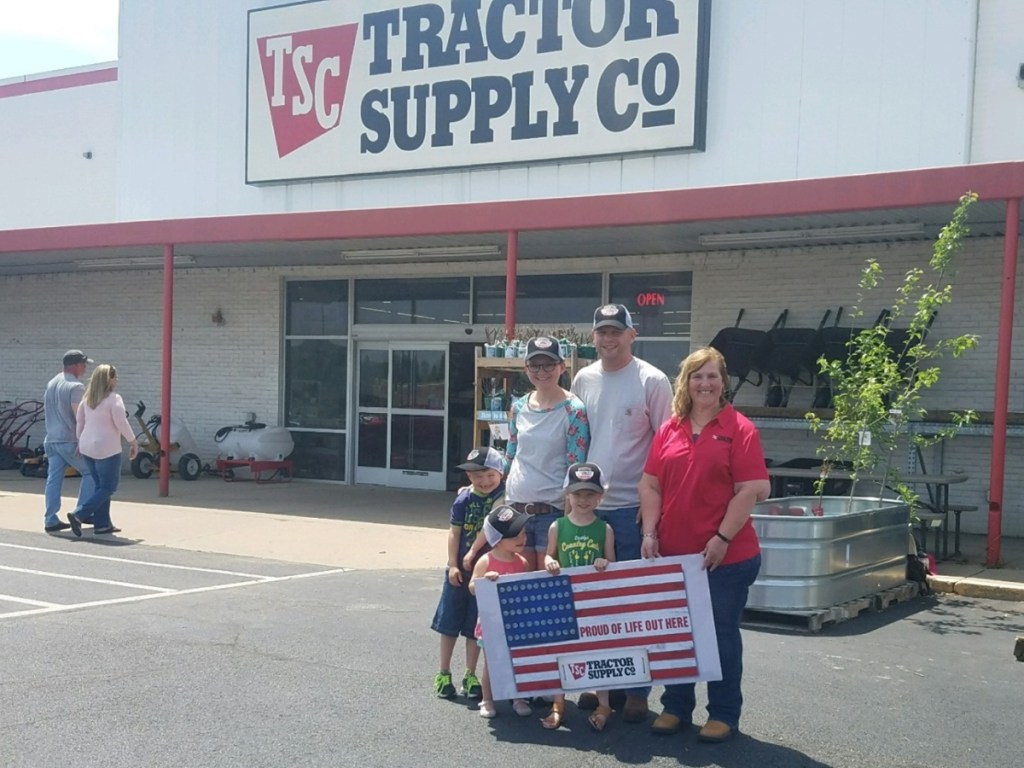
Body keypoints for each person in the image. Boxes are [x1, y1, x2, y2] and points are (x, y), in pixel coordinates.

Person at [638, 346, 770, 743]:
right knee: (678, 633)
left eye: (712, 376)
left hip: (725, 559)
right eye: (697, 376)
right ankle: (676, 706)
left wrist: (722, 538)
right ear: (686, 382)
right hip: (674, 556)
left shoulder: (740, 429)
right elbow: (650, 484)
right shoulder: (669, 429)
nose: (705, 383)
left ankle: (724, 713)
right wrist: (649, 531)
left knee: (719, 635)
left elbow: (753, 489)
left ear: (723, 382)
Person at [570, 303, 673, 723]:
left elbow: (667, 451)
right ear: (592, 337)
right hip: (589, 509)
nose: (608, 339)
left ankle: (637, 691)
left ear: (632, 335)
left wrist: (654, 514)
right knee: (593, 606)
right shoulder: (583, 378)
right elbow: (578, 441)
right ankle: (600, 685)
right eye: (601, 332)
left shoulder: (653, 380)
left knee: (634, 605)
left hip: (632, 510)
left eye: (616, 331)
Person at [540, 461, 616, 731]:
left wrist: (604, 563)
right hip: (565, 601)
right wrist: (550, 561)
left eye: (590, 494)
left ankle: (603, 703)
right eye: (578, 493)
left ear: (600, 496)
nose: (583, 500)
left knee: (598, 651)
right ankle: (558, 703)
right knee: (562, 651)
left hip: (594, 603)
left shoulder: (604, 529)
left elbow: (612, 562)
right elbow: (550, 553)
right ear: (567, 495)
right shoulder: (557, 526)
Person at [503, 335, 589, 571]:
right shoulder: (519, 406)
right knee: (516, 585)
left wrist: (570, 519)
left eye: (549, 364)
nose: (542, 371)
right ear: (526, 368)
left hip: (551, 514)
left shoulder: (574, 410)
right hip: (516, 511)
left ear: (562, 366)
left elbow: (575, 466)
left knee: (546, 587)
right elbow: (511, 454)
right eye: (535, 365)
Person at [431, 446, 506, 700]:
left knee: (476, 625)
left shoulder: (502, 497)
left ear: (500, 473)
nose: (483, 481)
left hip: (485, 572)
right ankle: (443, 672)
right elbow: (454, 532)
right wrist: (452, 564)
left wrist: (473, 553)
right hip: (459, 571)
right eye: (476, 476)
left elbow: (492, 526)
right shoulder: (463, 499)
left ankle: (470, 673)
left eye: (489, 475)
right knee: (449, 622)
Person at [468, 504, 532, 719]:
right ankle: (487, 699)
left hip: (515, 621)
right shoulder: (486, 560)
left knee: (517, 660)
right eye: (515, 535)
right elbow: (472, 587)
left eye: (523, 533)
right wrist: (485, 580)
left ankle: (518, 697)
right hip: (491, 622)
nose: (522, 539)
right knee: (492, 663)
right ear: (497, 539)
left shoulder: (522, 562)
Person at [67, 364, 139, 536]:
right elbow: (121, 422)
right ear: (110, 379)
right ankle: (80, 514)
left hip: (87, 446)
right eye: (115, 377)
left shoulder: (87, 399)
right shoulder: (114, 399)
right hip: (107, 447)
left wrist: (79, 441)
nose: (117, 380)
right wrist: (133, 441)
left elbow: (80, 422)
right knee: (108, 487)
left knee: (100, 486)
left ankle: (102, 524)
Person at [42, 350, 98, 533]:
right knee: (91, 472)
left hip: (51, 439)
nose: (85, 368)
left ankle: (50, 519)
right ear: (74, 365)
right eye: (83, 364)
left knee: (54, 479)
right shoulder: (76, 387)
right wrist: (83, 440)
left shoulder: (52, 383)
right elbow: (79, 416)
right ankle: (81, 513)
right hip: (69, 440)